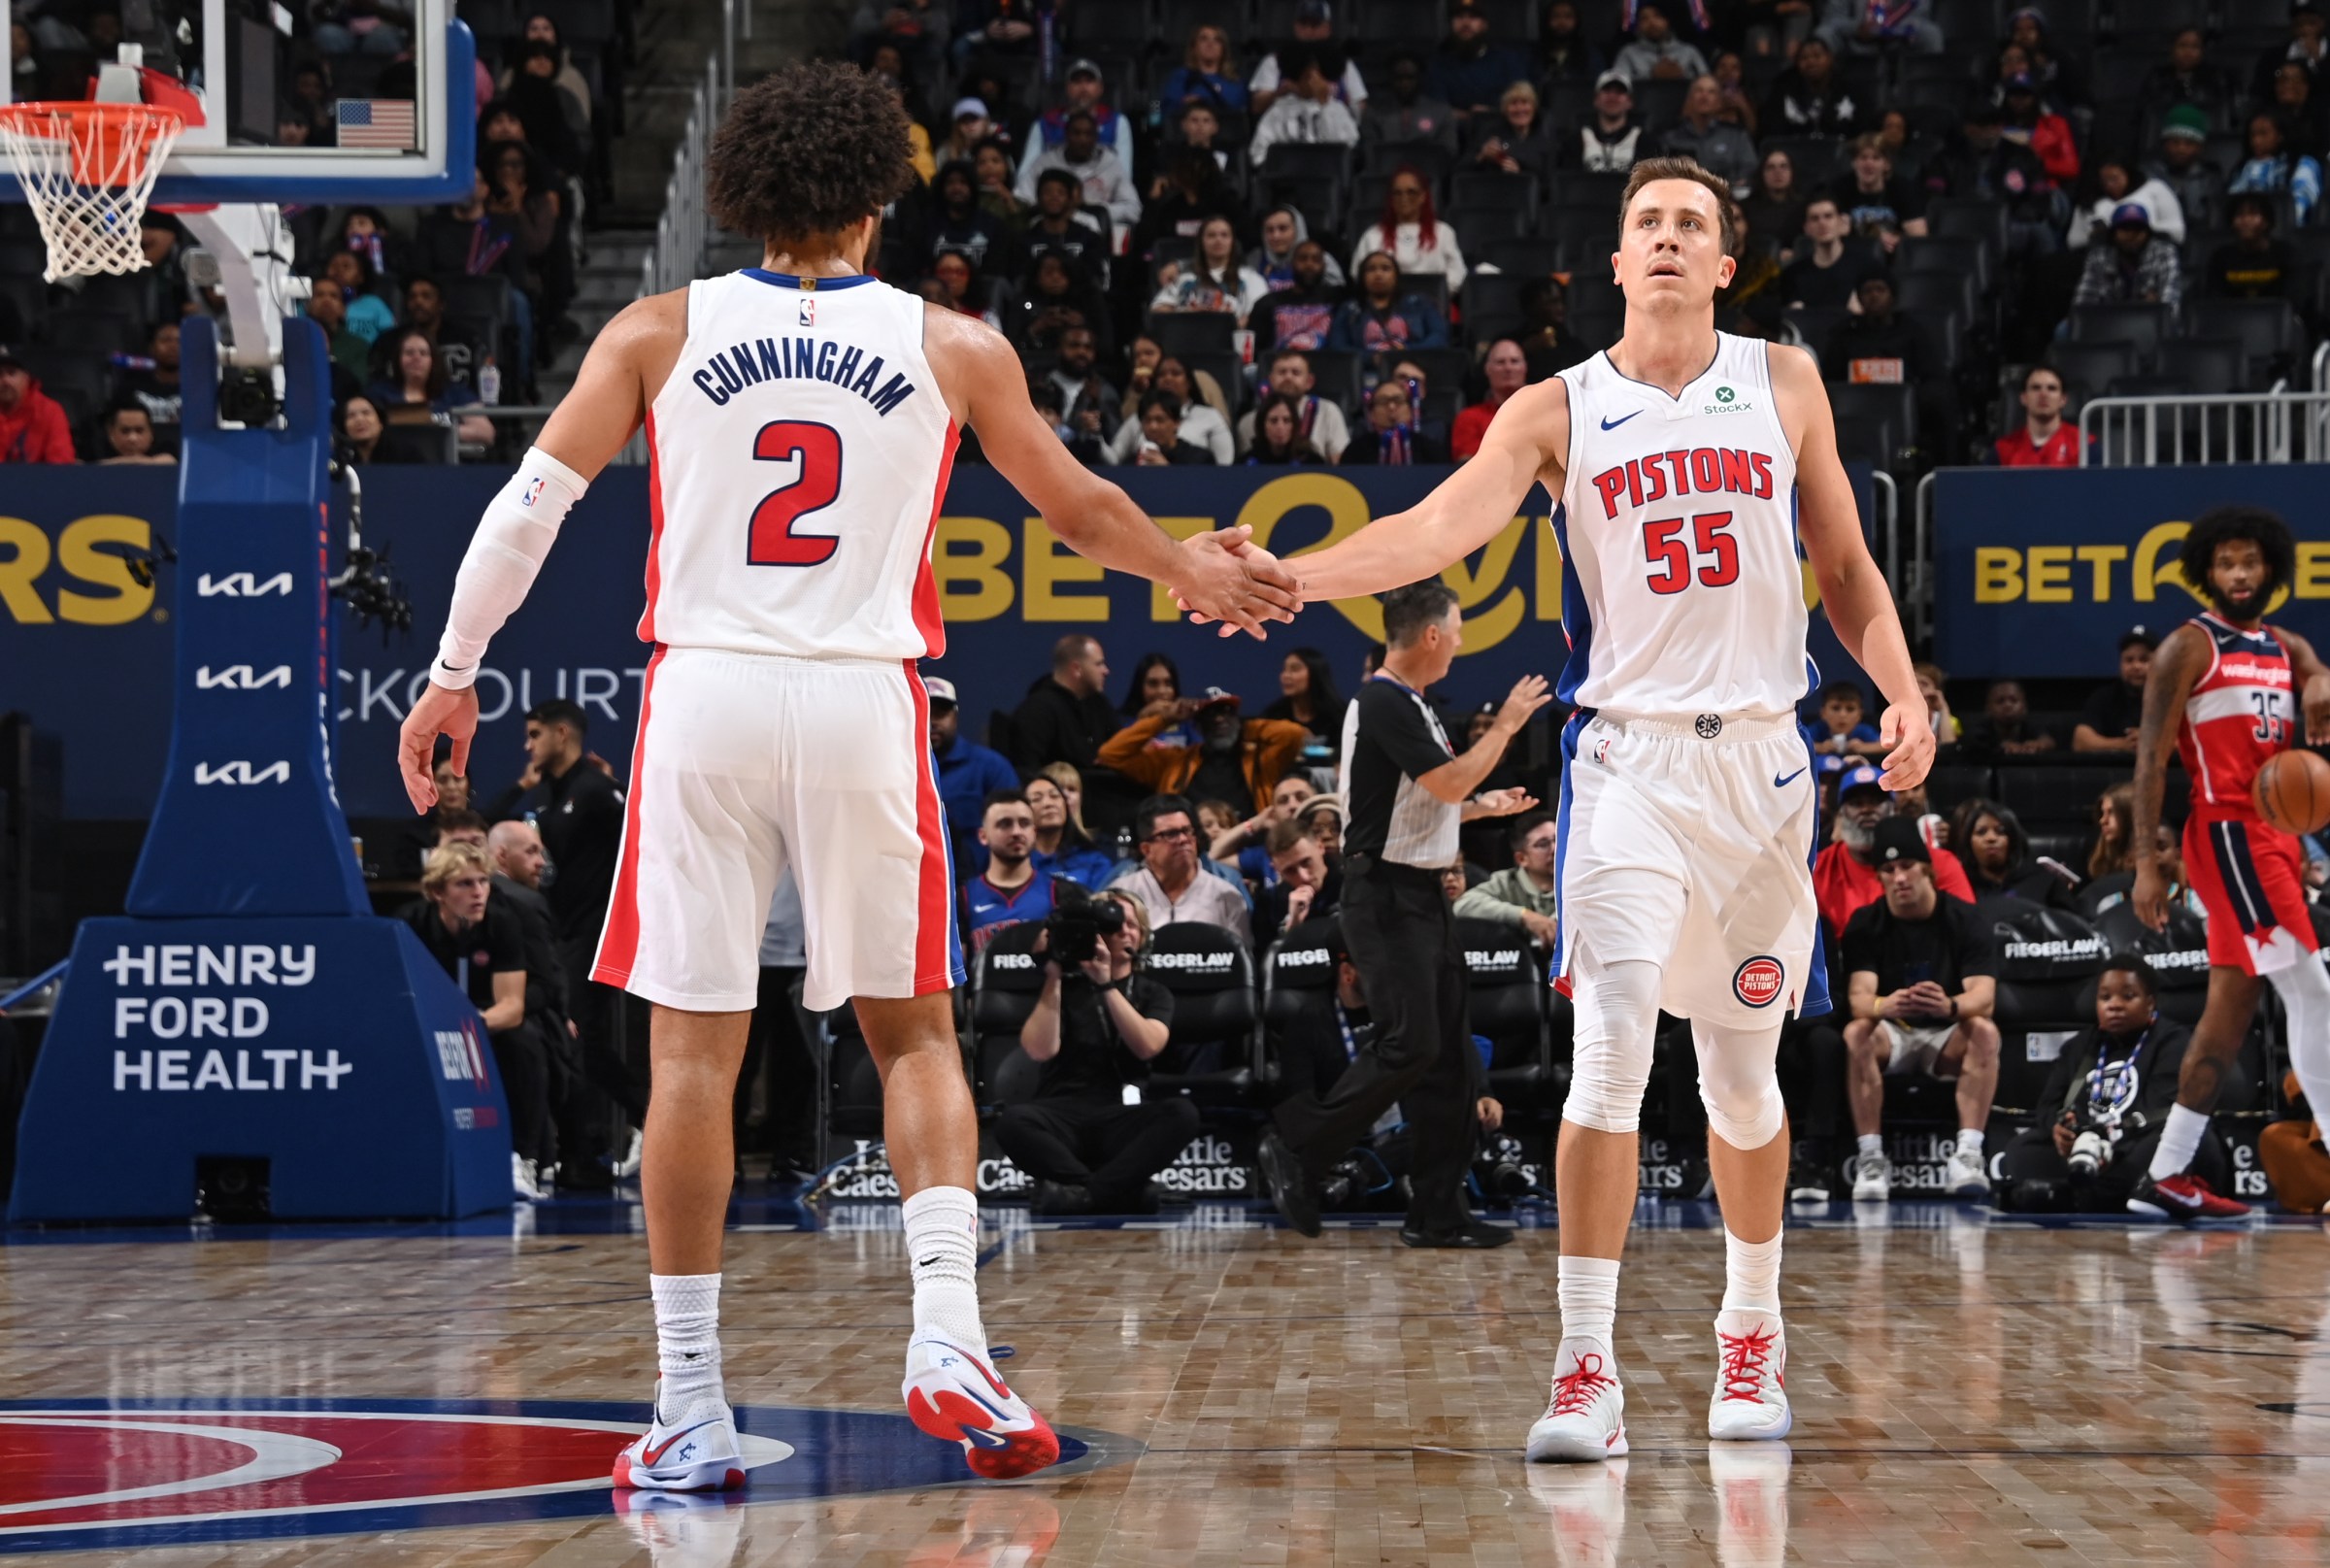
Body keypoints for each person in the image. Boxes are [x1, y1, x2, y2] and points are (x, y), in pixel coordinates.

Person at [394, 62, 1293, 1492]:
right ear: (879, 204)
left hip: (706, 690)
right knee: (918, 1033)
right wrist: (1194, 570)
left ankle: (688, 1403)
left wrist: (452, 669)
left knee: (692, 1056)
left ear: (745, 197)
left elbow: (528, 507)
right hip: (863, 692)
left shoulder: (654, 325)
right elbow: (1081, 505)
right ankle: (949, 1338)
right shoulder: (953, 343)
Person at [1212, 157, 1932, 1459]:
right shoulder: (1560, 407)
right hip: (1628, 766)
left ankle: (1751, 1328)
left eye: (1691, 225)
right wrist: (1298, 579)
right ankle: (1584, 1364)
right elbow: (1437, 528)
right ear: (1614, 260)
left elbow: (1844, 565)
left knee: (1741, 1075)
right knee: (1609, 1050)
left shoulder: (1785, 380)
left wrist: (1903, 690)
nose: (1665, 238)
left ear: (1724, 263)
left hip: (1766, 770)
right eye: (1645, 222)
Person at [1254, 582, 1543, 1250]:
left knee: (1445, 1059)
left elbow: (1420, 801)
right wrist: (1504, 725)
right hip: (1384, 897)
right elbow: (1445, 782)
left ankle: (1438, 1211)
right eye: (1459, 630)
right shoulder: (1382, 698)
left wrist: (1478, 809)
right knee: (1410, 1042)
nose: (1462, 642)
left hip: (1420, 895)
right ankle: (1296, 1146)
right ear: (1432, 635)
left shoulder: (1406, 702)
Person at [2127, 506, 2330, 1221]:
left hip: (2275, 835)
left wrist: (2315, 679)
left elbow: (2315, 666)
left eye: (2251, 562)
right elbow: (2150, 757)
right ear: (2205, 573)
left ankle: (2164, 1174)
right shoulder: (2190, 645)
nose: (2240, 574)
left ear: (2271, 569)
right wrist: (2147, 860)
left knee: (2229, 1013)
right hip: (2228, 835)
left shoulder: (2281, 644)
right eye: (2225, 564)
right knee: (2314, 989)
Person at [995, 888, 1192, 1216]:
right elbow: (1039, 1050)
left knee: (1182, 1114)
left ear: (1143, 937)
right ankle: (1118, 1192)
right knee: (1012, 1122)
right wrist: (1054, 973)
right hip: (1059, 1116)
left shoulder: (1152, 992)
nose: (1125, 930)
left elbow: (1147, 1046)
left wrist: (1105, 985)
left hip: (1118, 1116)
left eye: (1133, 924)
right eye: (1115, 924)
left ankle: (1081, 1195)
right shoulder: (1061, 987)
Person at [1840, 817, 2000, 1200]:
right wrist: (1884, 1004)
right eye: (1888, 870)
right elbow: (1859, 998)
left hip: (1944, 1034)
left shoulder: (1966, 918)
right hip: (1893, 1034)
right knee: (1855, 1032)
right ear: (1879, 877)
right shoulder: (1866, 922)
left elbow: (1985, 996)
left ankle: (1968, 1154)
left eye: (1907, 866)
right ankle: (1871, 1159)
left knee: (1984, 1031)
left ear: (1927, 868)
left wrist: (1949, 1005)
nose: (1899, 877)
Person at [406, 841, 550, 1200]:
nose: (478, 892)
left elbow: (512, 1006)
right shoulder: (411, 926)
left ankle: (521, 1160)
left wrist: (471, 1027)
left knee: (524, 1041)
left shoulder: (502, 923)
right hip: (427, 1023)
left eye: (483, 882)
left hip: (483, 1019)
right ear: (438, 891)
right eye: (464, 884)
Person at [1812, 761, 1976, 939]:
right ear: (1841, 814)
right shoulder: (1819, 868)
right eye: (1857, 804)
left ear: (1894, 809)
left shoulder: (1938, 862)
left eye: (1876, 802)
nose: (1867, 810)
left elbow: (1967, 928)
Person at [1099, 689, 1311, 813]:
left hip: (1249, 847)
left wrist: (1244, 727)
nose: (1219, 719)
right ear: (1198, 725)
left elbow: (1294, 735)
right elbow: (1111, 754)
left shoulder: (1260, 761)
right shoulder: (1174, 761)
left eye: (1226, 712)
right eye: (1211, 714)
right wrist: (1167, 719)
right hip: (1186, 849)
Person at [1107, 794, 1254, 944]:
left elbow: (1241, 960)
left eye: (1187, 831)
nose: (1183, 839)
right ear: (1146, 849)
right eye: (1171, 834)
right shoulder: (1122, 893)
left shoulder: (1227, 896)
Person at [925, 675, 1017, 874]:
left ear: (955, 717)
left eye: (940, 713)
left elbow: (1015, 827)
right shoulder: (899, 772)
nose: (932, 721)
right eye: (924, 712)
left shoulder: (991, 767)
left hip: (977, 885)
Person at [1010, 634, 1124, 775]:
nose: (1106, 671)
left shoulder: (1100, 704)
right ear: (1077, 669)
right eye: (1099, 664)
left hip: (1105, 792)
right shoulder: (1036, 711)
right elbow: (1027, 770)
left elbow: (1121, 749)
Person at [962, 789, 1056, 951]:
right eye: (1005, 824)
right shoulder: (962, 897)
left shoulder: (1060, 892)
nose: (1016, 832)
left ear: (1034, 832)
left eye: (1024, 823)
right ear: (983, 836)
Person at [1348, 168, 1469, 293]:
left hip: (1432, 303)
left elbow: (1458, 272)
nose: (1404, 197)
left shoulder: (1443, 232)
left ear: (1423, 196)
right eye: (1397, 193)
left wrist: (1436, 293)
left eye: (1411, 192)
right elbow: (1358, 272)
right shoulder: (1372, 235)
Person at [1452, 811, 1560, 948]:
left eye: (1558, 839)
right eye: (1543, 844)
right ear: (1522, 858)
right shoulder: (1505, 883)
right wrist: (1524, 916)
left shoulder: (1580, 880)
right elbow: (1463, 905)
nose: (1555, 849)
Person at [1248, 49, 1363, 166]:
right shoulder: (1279, 110)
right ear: (1296, 80)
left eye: (1318, 77)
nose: (1312, 83)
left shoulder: (1338, 109)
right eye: (1308, 76)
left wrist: (1324, 104)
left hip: (1328, 177)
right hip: (1288, 179)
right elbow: (1258, 155)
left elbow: (1349, 150)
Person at [1950, 798, 2076, 905]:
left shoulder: (2044, 881)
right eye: (1981, 832)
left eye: (2000, 831)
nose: (1991, 838)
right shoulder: (1958, 885)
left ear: (2013, 838)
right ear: (1968, 841)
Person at [1428, 0, 1530, 124]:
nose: (1466, 23)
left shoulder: (1507, 60)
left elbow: (1522, 100)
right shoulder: (1439, 64)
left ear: (1484, 24)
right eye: (1459, 17)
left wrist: (1492, 112)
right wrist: (1469, 116)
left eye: (1473, 17)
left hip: (1502, 129)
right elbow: (1436, 109)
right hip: (1454, 135)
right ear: (1451, 24)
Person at [1328, 252, 1449, 355]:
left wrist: (1407, 350)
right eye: (1371, 269)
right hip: (1364, 375)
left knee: (1412, 383)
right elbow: (1338, 347)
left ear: (1396, 276)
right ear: (1362, 277)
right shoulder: (1349, 309)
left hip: (1412, 370)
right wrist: (1371, 358)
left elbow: (1440, 337)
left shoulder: (1419, 303)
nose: (1378, 274)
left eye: (1386, 268)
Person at [2073, 203, 2182, 311]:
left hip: (2150, 324)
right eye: (2125, 229)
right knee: (2064, 328)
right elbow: (2083, 303)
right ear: (2113, 233)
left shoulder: (2163, 253)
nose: (2131, 235)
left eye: (2138, 229)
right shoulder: (2099, 257)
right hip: (2107, 323)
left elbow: (2170, 303)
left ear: (2148, 233)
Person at [1777, 196, 1878, 313]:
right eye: (1815, 219)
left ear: (1840, 222)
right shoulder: (1792, 275)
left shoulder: (1867, 267)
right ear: (1806, 228)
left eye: (1828, 216)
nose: (1822, 223)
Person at [1254, 816, 1344, 945]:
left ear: (1320, 847)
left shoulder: (1354, 884)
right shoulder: (1269, 903)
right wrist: (1293, 924)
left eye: (1306, 862)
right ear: (1276, 869)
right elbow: (1267, 960)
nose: (1304, 876)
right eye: (1290, 870)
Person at [1248, 246, 1348, 359]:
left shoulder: (1338, 298)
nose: (1309, 265)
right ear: (1291, 264)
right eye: (1303, 259)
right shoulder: (1267, 302)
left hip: (1325, 367)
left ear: (1324, 266)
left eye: (1316, 260)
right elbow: (1257, 351)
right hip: (1282, 368)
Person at [1663, 75, 1759, 193]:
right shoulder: (1671, 138)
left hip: (1727, 198)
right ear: (1689, 100)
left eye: (1711, 92)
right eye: (1699, 91)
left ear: (1719, 102)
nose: (1704, 96)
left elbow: (1749, 170)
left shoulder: (1736, 137)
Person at [2206, 192, 2303, 301]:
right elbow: (2214, 303)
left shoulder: (2286, 254)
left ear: (2266, 221)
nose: (2246, 220)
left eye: (2253, 214)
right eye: (2239, 214)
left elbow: (2291, 301)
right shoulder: (2220, 258)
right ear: (2232, 223)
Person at [2231, 112, 2323, 224]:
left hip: (2289, 231)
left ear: (2280, 135)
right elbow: (2233, 201)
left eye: (2263, 134)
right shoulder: (2245, 167)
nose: (2256, 141)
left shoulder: (2304, 164)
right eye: (2252, 135)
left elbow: (2302, 204)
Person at [2073, 627, 2156, 752]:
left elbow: (2194, 739)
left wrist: (2152, 742)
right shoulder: (2105, 697)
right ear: (2121, 664)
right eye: (2129, 660)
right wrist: (2123, 744)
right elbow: (2080, 740)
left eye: (2144, 660)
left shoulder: (2174, 697)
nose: (2136, 666)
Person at [1023, 772, 1112, 888]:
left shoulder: (1094, 861)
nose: (1048, 804)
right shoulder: (1013, 862)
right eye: (1036, 799)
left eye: (1054, 796)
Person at [1989, 364, 2085, 468]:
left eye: (2051, 388)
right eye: (2036, 388)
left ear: (2063, 399)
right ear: (2024, 398)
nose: (2043, 394)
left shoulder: (2084, 445)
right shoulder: (2002, 449)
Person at [1762, 37, 1858, 138]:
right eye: (1804, 58)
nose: (1811, 62)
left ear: (1830, 58)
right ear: (1797, 63)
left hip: (1843, 151)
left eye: (1817, 56)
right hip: (1796, 151)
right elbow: (1771, 134)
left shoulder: (1850, 89)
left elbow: (1864, 133)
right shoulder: (1783, 91)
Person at [1452, 339, 1530, 460]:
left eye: (1514, 361)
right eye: (1500, 362)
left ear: (1525, 368)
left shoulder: (1547, 414)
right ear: (1488, 369)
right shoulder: (1469, 418)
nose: (1508, 368)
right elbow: (1468, 462)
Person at [1340, 379, 1448, 464]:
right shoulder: (1355, 451)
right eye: (1383, 401)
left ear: (1410, 410)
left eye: (1398, 400)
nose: (1391, 407)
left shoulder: (1429, 449)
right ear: (1372, 413)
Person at [0, 347, 74, 465]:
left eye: (11, 373)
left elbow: (61, 465)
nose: (5, 381)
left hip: (38, 482)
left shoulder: (50, 411)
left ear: (26, 378)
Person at [1567, 71, 1648, 173]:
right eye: (1607, 91)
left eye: (1619, 92)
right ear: (1596, 100)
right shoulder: (1574, 141)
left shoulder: (1646, 142)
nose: (1612, 97)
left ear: (1629, 102)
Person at [1263, 647, 1346, 739]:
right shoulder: (1274, 715)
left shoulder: (1340, 716)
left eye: (1295, 669)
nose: (1285, 676)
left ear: (1315, 673)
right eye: (1284, 669)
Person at [1613, 3, 1710, 82]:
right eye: (1644, 18)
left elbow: (1708, 84)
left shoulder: (1689, 51)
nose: (1652, 22)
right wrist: (1651, 75)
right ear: (1638, 27)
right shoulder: (1628, 53)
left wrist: (1682, 76)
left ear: (1667, 21)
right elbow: (1617, 87)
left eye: (1657, 16)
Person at [1959, 679, 2057, 755]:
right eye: (2000, 701)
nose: (2008, 705)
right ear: (1988, 709)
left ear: (2024, 707)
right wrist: (2001, 747)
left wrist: (2038, 745)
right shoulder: (1980, 729)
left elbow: (2048, 741)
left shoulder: (2031, 725)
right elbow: (1974, 743)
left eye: (2014, 700)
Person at [1806, 678, 1884, 760]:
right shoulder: (1816, 729)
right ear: (1823, 712)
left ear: (1859, 715)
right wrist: (1820, 747)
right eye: (1836, 708)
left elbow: (1890, 745)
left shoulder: (1864, 731)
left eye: (1850, 709)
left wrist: (1863, 747)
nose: (1842, 715)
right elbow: (1797, 746)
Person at [96, 401, 175, 466]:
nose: (132, 438)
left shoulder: (165, 447)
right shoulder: (96, 449)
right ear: (111, 433)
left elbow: (168, 461)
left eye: (139, 431)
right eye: (125, 431)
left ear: (151, 433)